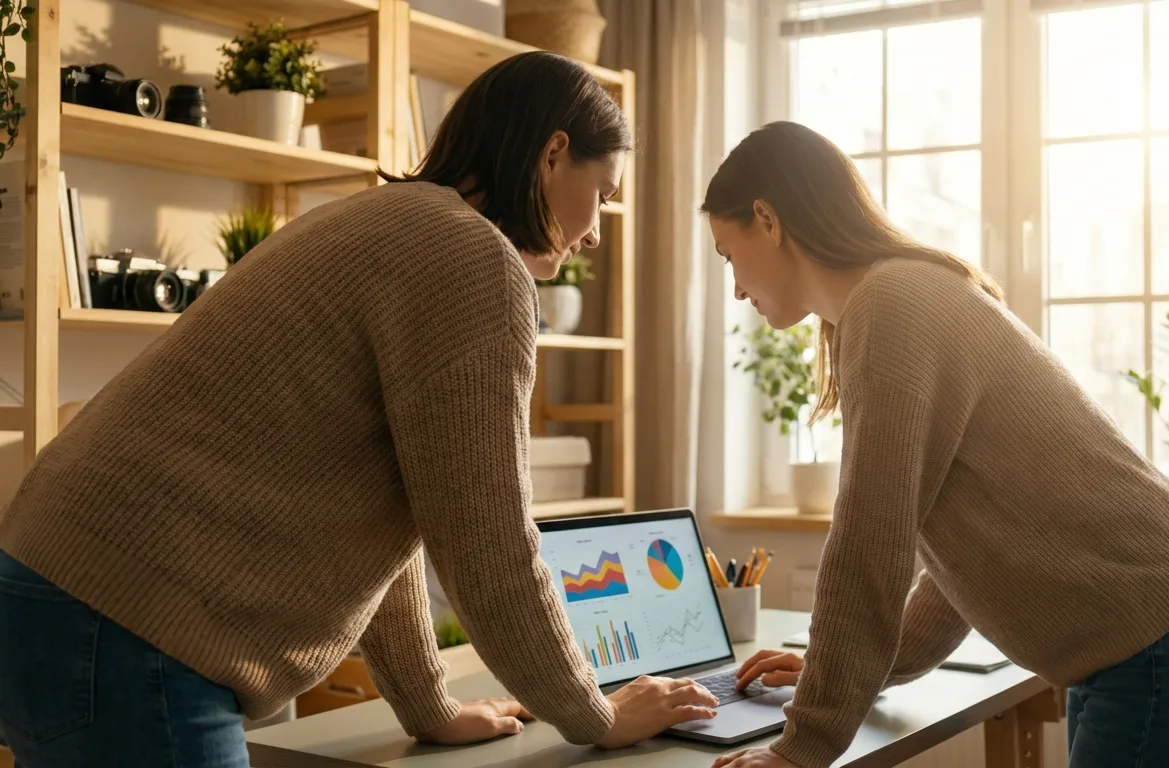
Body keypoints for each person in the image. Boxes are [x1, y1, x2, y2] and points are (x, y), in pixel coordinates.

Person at [0, 51, 717, 768]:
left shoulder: (388, 219)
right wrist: (596, 714)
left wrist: (430, 707)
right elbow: (487, 537)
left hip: (50, 589)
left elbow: (392, 519)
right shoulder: (475, 261)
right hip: (130, 627)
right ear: (554, 154)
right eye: (605, 193)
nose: (595, 231)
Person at [700, 121, 1169, 768]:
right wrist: (862, 669)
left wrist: (802, 748)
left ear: (767, 219)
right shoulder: (893, 298)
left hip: (1164, 644)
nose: (737, 286)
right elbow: (963, 553)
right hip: (1162, 639)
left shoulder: (892, 305)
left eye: (727, 253)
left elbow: (868, 546)